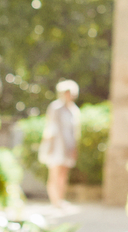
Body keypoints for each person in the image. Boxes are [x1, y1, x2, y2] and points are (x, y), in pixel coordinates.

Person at [38, 79, 81, 208]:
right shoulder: (55, 108)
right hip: (56, 146)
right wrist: (49, 146)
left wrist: (74, 148)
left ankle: (60, 199)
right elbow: (51, 128)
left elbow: (75, 132)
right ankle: (54, 200)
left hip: (68, 146)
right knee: (54, 174)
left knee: (63, 174)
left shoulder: (74, 110)